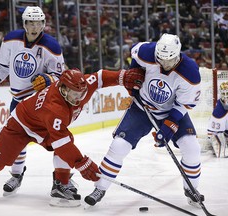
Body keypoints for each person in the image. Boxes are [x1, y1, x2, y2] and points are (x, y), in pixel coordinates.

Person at [0, 68, 145, 207]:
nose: (80, 97)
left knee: (66, 142)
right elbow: (62, 142)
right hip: (20, 127)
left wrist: (122, 76)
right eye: (75, 94)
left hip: (44, 127)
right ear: (64, 89)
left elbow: (100, 77)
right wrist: (82, 163)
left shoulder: (79, 87)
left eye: (82, 92)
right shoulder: (55, 108)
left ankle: (60, 184)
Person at [85, 33, 205, 208]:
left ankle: (191, 189)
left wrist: (170, 124)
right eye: (160, 59)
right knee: (119, 146)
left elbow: (185, 103)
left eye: (168, 61)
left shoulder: (190, 72)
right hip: (142, 108)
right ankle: (100, 188)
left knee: (192, 147)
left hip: (171, 111)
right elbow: (134, 58)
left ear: (177, 55)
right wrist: (133, 76)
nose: (163, 64)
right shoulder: (147, 51)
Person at [0, 6, 66, 196]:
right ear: (24, 23)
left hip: (41, 102)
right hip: (18, 102)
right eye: (31, 23)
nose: (35, 27)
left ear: (44, 24)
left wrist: (48, 79)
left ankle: (61, 180)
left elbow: (59, 76)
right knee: (18, 141)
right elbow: (1, 67)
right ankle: (17, 175)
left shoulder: (52, 46)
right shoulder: (11, 40)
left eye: (39, 23)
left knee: (59, 140)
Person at [207, 81, 228, 158]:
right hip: (218, 135)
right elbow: (214, 135)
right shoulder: (219, 111)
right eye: (224, 93)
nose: (226, 96)